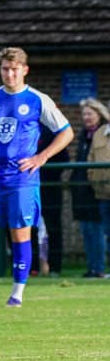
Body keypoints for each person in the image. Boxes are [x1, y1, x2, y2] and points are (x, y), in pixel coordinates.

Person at [0, 47, 73, 308]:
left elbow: (66, 132)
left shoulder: (38, 99)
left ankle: (16, 296)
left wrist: (41, 157)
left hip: (22, 179)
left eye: (14, 69)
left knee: (19, 235)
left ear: (25, 70)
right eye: (5, 69)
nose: (9, 74)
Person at [73, 99, 109, 277]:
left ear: (99, 113)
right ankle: (94, 268)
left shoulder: (102, 133)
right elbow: (88, 161)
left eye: (90, 113)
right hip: (91, 190)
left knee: (98, 231)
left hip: (100, 190)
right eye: (84, 114)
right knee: (90, 230)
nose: (86, 117)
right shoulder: (87, 135)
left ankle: (99, 267)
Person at [31, 124, 70, 277]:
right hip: (28, 186)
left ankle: (55, 268)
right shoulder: (23, 129)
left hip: (50, 187)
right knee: (28, 227)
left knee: (54, 227)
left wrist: (48, 174)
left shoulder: (52, 132)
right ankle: (32, 267)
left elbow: (64, 158)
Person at [87, 97, 110, 273]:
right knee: (107, 232)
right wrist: (95, 182)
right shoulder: (99, 133)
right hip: (103, 193)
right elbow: (91, 161)